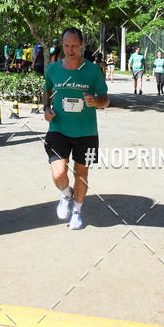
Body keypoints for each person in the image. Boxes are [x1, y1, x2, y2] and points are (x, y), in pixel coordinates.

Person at [43, 28, 109, 230]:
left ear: (81, 45)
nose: (70, 50)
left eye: (74, 46)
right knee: (58, 173)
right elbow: (47, 90)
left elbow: (105, 100)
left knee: (82, 174)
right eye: (66, 46)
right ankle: (66, 194)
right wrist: (46, 108)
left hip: (87, 133)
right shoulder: (53, 69)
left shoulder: (93, 70)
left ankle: (77, 212)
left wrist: (95, 101)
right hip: (58, 129)